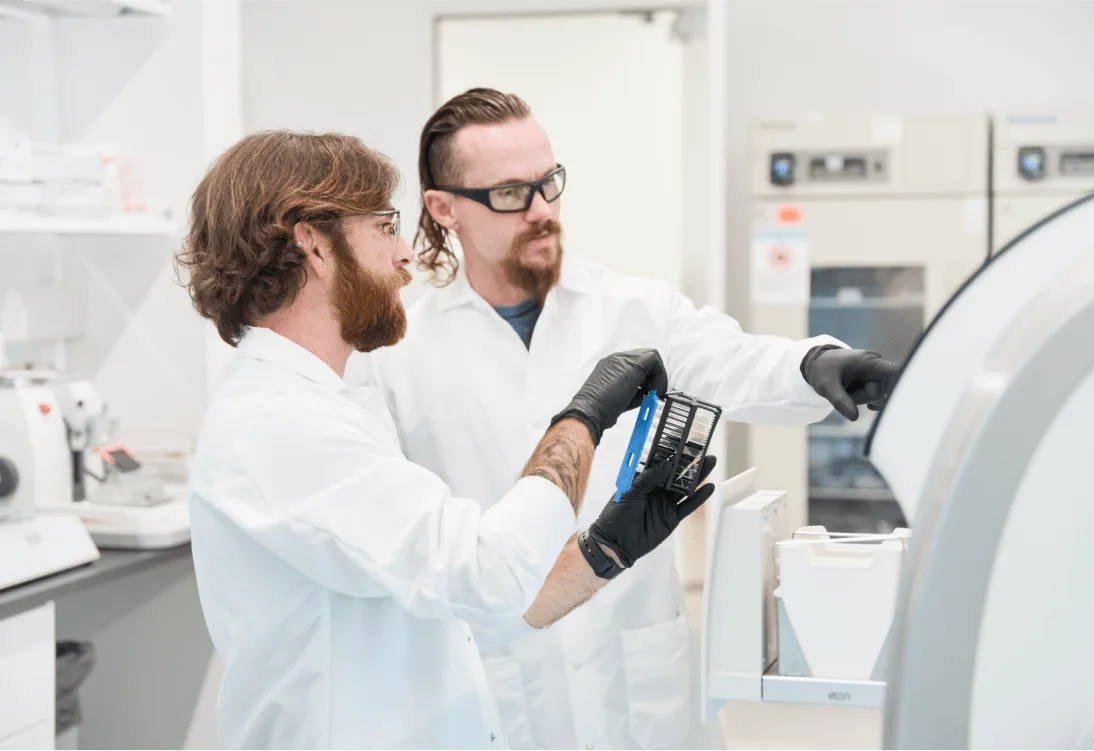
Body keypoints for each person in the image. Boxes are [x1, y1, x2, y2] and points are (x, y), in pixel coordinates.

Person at [359, 89, 900, 751]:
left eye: (549, 183)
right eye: (510, 193)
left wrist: (815, 363)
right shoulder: (398, 354)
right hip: (501, 682)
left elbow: (731, 359)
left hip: (639, 683)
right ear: (445, 209)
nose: (542, 209)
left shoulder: (630, 307)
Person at [176, 130, 717, 750]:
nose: (406, 253)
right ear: (314, 245)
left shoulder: (327, 406)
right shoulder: (278, 423)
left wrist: (605, 550)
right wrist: (584, 417)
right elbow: (486, 571)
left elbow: (467, 612)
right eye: (384, 228)